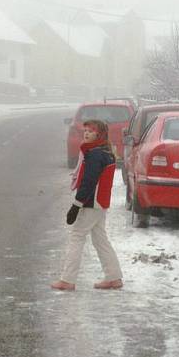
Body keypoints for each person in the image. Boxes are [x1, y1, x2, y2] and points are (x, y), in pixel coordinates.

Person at [51, 119, 123, 291]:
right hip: (100, 202)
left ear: (100, 134)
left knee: (77, 236)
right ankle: (114, 277)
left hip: (92, 202)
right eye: (85, 130)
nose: (86, 133)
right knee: (100, 239)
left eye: (91, 131)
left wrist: (77, 205)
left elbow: (89, 182)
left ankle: (67, 280)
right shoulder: (105, 152)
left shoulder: (95, 154)